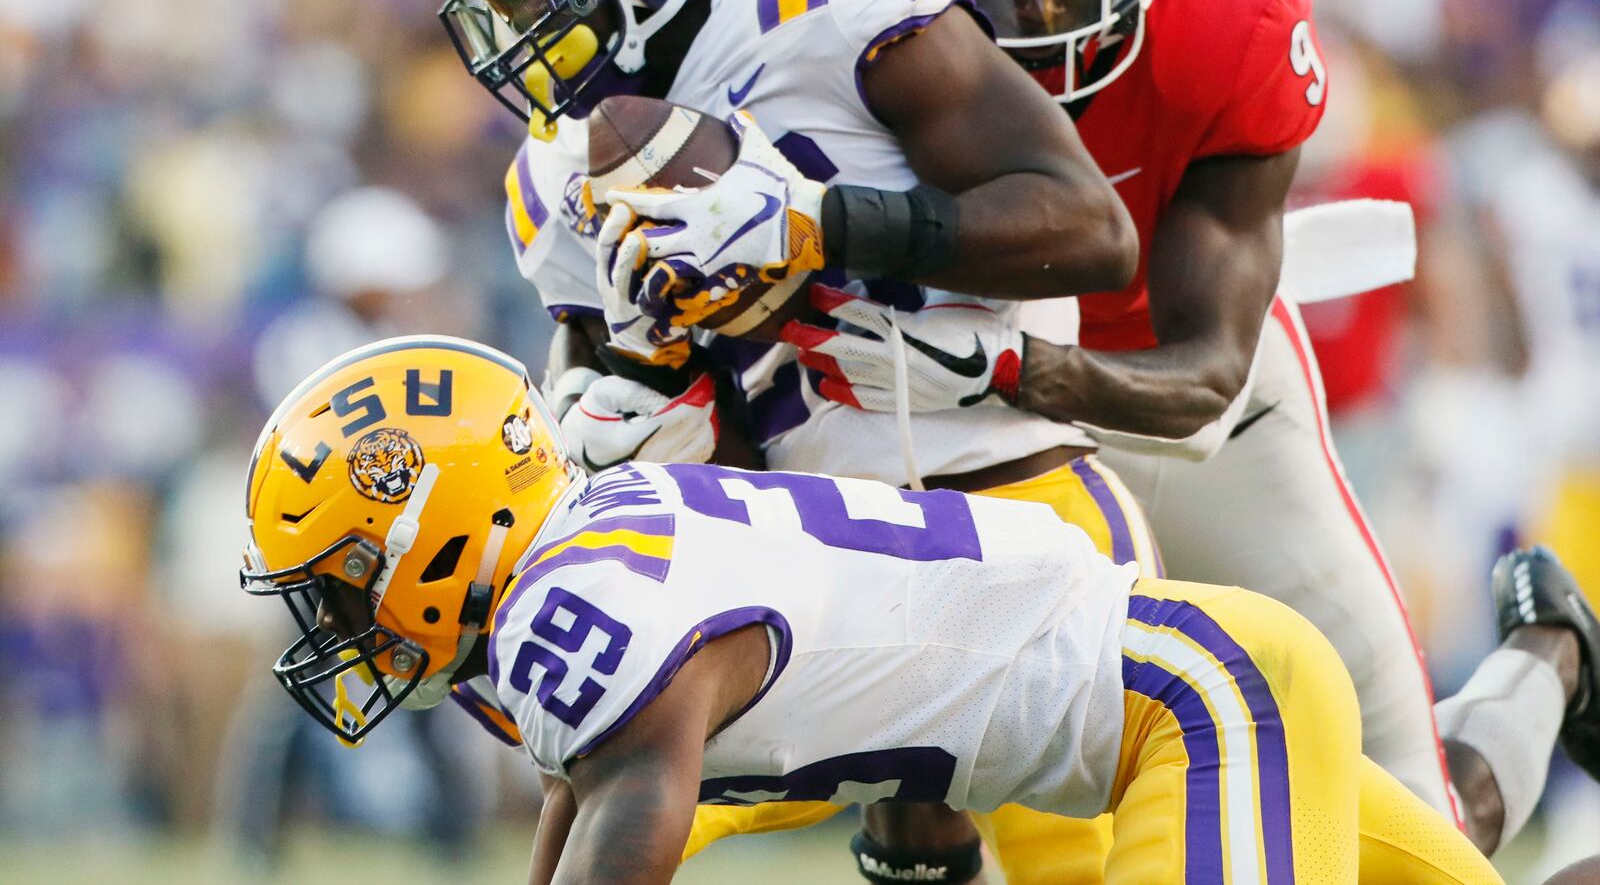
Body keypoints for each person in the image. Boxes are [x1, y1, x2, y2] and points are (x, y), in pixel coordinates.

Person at [780, 0, 1588, 861]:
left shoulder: (1229, 36)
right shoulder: (836, 42)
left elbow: (1204, 376)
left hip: (1201, 414)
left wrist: (1011, 368)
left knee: (1419, 835)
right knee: (994, 795)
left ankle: (1547, 657)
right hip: (989, 442)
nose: (1031, 26)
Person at [431, 0, 1155, 878]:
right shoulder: (556, 175)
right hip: (817, 557)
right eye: (504, 3)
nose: (530, 26)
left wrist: (820, 222)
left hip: (1011, 497)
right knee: (598, 751)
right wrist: (620, 405)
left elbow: (1090, 229)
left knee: (1119, 852)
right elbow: (661, 419)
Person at [238, 336, 1600, 884]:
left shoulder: (577, 612)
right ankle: (1553, 656)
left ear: (447, 530)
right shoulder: (581, 578)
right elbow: (582, 784)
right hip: (1191, 686)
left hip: (1194, 709)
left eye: (344, 575)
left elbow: (629, 825)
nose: (335, 618)